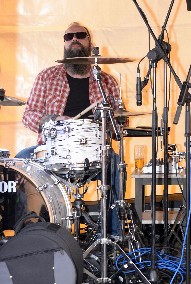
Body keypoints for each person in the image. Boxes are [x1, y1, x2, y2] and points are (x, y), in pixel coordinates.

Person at [19, 22, 122, 235]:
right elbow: (28, 115)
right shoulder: (47, 77)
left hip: (93, 152)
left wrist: (107, 119)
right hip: (51, 150)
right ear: (64, 44)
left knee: (115, 164)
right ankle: (28, 232)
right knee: (20, 163)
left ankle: (113, 236)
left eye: (80, 35)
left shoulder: (106, 82)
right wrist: (54, 118)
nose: (74, 39)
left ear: (89, 42)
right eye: (69, 37)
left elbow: (121, 123)